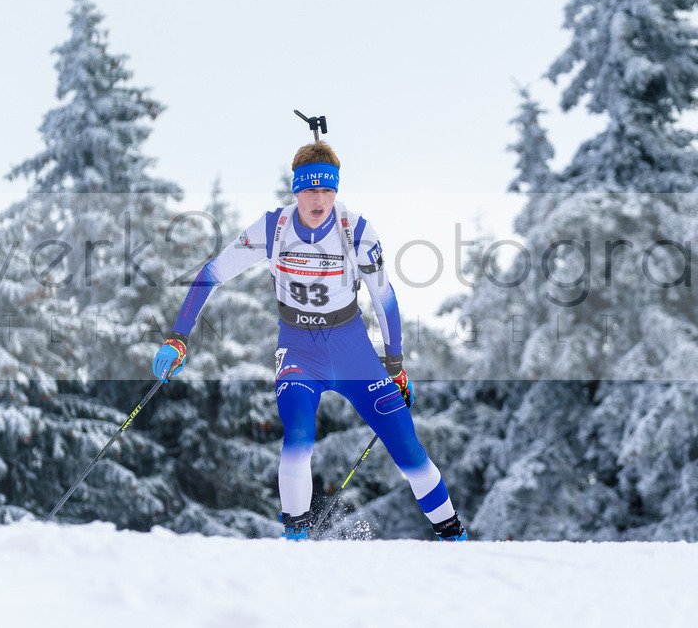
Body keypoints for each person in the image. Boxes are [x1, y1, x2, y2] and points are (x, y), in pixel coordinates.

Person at [152, 141, 466, 541]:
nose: (319, 200)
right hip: (299, 348)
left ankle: (454, 537)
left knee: (408, 450)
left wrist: (395, 364)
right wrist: (178, 337)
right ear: (295, 189)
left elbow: (384, 297)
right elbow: (211, 274)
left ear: (336, 190)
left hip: (352, 351)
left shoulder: (356, 230)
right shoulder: (273, 227)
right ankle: (296, 542)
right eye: (310, 189)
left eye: (327, 190)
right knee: (298, 434)